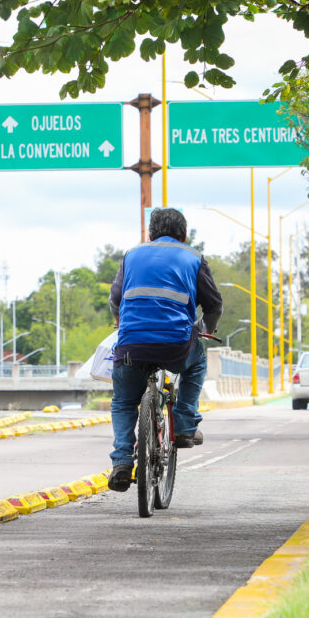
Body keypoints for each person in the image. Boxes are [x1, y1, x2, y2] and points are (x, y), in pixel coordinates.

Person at [106, 208, 223, 492]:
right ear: (184, 235)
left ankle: (122, 462)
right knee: (198, 362)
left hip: (132, 345)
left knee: (123, 401)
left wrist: (121, 323)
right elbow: (214, 304)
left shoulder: (131, 256)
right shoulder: (194, 258)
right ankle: (184, 424)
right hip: (176, 345)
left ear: (150, 234)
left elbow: (115, 299)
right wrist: (206, 328)